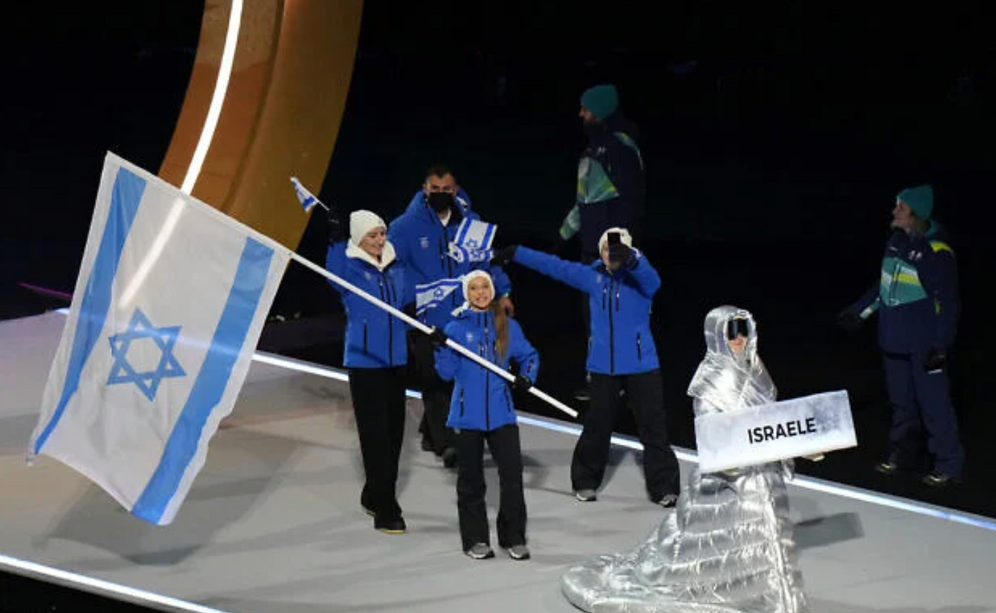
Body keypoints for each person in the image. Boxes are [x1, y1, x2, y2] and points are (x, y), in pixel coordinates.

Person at [560, 305, 811, 613]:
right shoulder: (710, 377)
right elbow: (710, 430)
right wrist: (739, 452)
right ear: (717, 335)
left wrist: (796, 443)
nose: (739, 339)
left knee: (767, 537)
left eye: (744, 330)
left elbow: (772, 418)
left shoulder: (756, 369)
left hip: (761, 472)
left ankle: (776, 602)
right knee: (720, 542)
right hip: (729, 475)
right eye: (732, 332)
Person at [493, 228, 680, 506]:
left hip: (642, 365)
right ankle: (585, 480)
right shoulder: (593, 277)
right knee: (597, 424)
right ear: (600, 252)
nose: (610, 254)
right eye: (606, 249)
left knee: (653, 426)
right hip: (603, 366)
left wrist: (632, 260)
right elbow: (554, 266)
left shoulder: (641, 280)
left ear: (628, 251)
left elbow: (653, 281)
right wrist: (517, 253)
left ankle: (664, 486)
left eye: (616, 250)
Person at [837, 184, 964, 486]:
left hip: (923, 347)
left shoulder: (937, 252)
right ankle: (903, 457)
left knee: (934, 407)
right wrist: (858, 311)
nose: (894, 212)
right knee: (901, 405)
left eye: (901, 208)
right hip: (893, 342)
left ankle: (949, 465)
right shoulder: (895, 242)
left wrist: (941, 345)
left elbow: (947, 303)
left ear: (916, 214)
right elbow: (883, 289)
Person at [389, 165, 515, 468]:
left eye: (447, 190)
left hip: (466, 314)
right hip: (426, 314)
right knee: (433, 377)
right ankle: (447, 444)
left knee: (460, 374)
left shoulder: (472, 224)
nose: (440, 195)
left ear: (455, 190)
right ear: (424, 189)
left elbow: (487, 262)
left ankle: (432, 430)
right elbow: (394, 268)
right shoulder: (405, 227)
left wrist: (504, 293)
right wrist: (408, 300)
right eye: (435, 189)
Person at [433, 270, 538, 561]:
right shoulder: (455, 328)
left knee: (512, 477)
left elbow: (530, 356)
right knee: (471, 479)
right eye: (475, 288)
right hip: (468, 415)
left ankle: (513, 537)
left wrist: (527, 376)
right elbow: (446, 373)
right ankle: (475, 539)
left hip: (502, 413)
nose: (481, 293)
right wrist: (440, 348)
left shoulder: (507, 326)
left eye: (485, 287)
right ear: (466, 293)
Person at [556, 84, 646, 401]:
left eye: (585, 108)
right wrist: (564, 235)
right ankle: (601, 381)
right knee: (595, 316)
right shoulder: (591, 152)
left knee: (615, 316)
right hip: (591, 252)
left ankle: (623, 384)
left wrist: (621, 250)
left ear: (600, 110)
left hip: (612, 254)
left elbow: (632, 202)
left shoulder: (621, 150)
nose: (580, 114)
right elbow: (585, 201)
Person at [325, 210, 409, 533]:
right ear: (358, 238)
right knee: (375, 437)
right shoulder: (349, 266)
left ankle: (374, 494)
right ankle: (386, 509)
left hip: (396, 360)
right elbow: (332, 277)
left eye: (382, 234)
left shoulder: (395, 265)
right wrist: (334, 242)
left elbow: (413, 296)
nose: (380, 241)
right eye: (372, 236)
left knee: (394, 436)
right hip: (364, 363)